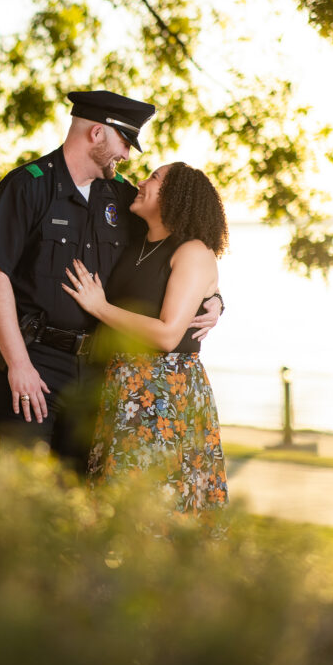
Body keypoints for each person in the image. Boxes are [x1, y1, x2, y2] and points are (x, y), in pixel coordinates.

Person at [0, 90, 221, 474]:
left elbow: (175, 251)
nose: (128, 156)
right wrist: (18, 364)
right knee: (27, 487)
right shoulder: (28, 186)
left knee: (80, 493)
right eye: (125, 141)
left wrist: (215, 298)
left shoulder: (123, 198)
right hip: (34, 361)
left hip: (99, 373)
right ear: (97, 134)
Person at [62, 162, 229, 515]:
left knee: (158, 505)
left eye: (154, 178)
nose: (141, 181)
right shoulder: (136, 244)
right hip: (123, 387)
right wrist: (217, 299)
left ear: (176, 196)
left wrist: (100, 307)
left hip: (166, 393)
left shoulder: (193, 252)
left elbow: (169, 334)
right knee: (117, 504)